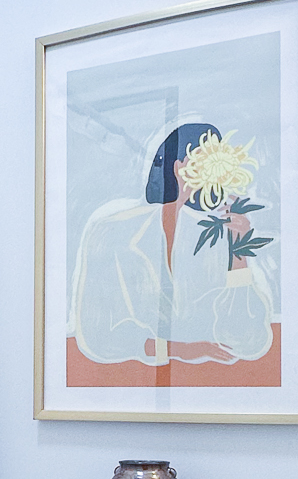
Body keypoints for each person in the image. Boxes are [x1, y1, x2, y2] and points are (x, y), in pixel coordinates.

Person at [71, 122, 275, 368]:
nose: (215, 172)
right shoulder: (111, 232)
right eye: (205, 159)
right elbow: (99, 335)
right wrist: (179, 350)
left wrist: (239, 250)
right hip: (129, 384)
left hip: (210, 388)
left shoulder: (215, 238)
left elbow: (247, 340)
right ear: (178, 166)